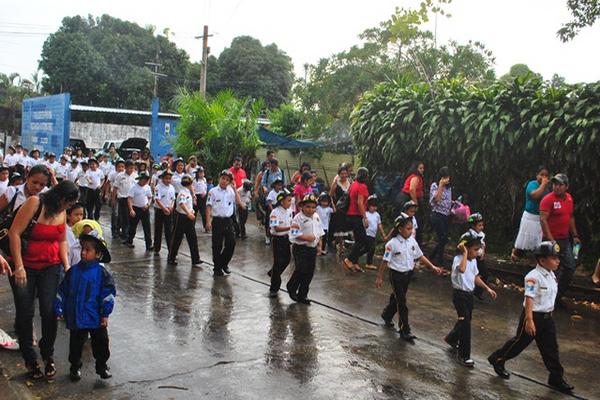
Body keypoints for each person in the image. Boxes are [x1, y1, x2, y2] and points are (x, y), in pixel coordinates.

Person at [8, 180, 78, 379]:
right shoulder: (34, 203)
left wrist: (66, 265)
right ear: (62, 199)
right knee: (25, 312)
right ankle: (30, 359)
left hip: (50, 266)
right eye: (70, 204)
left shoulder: (61, 212)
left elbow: (62, 240)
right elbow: (14, 233)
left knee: (49, 311)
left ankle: (48, 354)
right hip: (26, 267)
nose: (70, 208)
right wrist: (19, 266)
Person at [488, 241, 574, 394]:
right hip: (533, 316)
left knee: (551, 349)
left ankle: (556, 377)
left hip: (546, 318)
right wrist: (529, 320)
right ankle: (498, 359)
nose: (558, 261)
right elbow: (529, 299)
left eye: (557, 258)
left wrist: (550, 312)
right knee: (519, 344)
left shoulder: (551, 275)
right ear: (542, 260)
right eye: (554, 258)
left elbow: (549, 297)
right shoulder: (533, 277)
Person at [55, 232, 115, 381]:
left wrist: (105, 314)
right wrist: (59, 307)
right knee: (75, 345)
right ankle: (75, 366)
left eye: (88, 250)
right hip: (76, 316)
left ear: (98, 254)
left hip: (95, 318)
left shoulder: (102, 274)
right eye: (82, 248)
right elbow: (62, 291)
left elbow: (107, 295)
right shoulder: (73, 272)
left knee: (101, 343)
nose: (83, 252)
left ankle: (101, 366)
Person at [376, 213, 442, 340]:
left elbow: (420, 255)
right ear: (400, 229)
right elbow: (385, 261)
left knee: (397, 298)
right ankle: (404, 329)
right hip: (396, 275)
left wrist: (432, 266)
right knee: (402, 303)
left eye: (412, 228)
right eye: (408, 228)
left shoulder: (412, 241)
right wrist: (379, 277)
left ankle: (387, 315)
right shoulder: (392, 244)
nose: (411, 231)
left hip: (408, 274)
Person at [444, 231, 497, 367]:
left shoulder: (473, 262)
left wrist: (487, 288)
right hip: (459, 295)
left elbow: (475, 277)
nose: (477, 252)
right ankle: (464, 355)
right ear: (465, 248)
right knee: (465, 324)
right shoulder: (458, 259)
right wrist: (465, 253)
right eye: (475, 249)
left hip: (469, 295)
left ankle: (452, 338)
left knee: (465, 320)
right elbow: (462, 269)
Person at [539, 173, 580, 309]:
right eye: (555, 184)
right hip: (551, 240)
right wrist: (551, 241)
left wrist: (575, 235)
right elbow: (543, 220)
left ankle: (557, 296)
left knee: (569, 267)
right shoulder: (548, 199)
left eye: (560, 184)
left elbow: (571, 217)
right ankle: (546, 299)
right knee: (552, 270)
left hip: (564, 239)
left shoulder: (569, 199)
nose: (556, 187)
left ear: (566, 186)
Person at [286, 193, 324, 305]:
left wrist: (319, 245)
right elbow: (293, 232)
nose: (310, 209)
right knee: (301, 270)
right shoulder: (298, 218)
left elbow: (320, 231)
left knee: (309, 273)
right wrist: (306, 238)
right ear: (301, 206)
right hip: (301, 248)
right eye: (307, 207)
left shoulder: (316, 216)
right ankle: (292, 286)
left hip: (311, 249)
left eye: (313, 207)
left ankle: (303, 294)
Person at [206, 170, 245, 277]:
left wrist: (234, 188)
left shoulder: (230, 191)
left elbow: (237, 202)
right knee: (217, 246)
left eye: (227, 180)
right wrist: (208, 221)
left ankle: (224, 263)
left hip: (228, 221)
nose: (224, 181)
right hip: (217, 221)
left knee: (231, 243)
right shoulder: (213, 191)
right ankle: (217, 268)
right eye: (223, 178)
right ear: (219, 178)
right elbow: (209, 207)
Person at [511, 167, 550, 261]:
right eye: (541, 175)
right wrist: (543, 184)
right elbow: (535, 195)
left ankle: (536, 260)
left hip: (540, 218)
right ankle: (515, 254)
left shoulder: (548, 188)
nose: (543, 177)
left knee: (538, 241)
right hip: (530, 217)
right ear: (537, 175)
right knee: (524, 240)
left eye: (546, 175)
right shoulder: (532, 184)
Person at [167, 175, 202, 267]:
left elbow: (188, 204)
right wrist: (188, 213)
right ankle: (171, 257)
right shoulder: (183, 193)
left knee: (192, 238)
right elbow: (182, 203)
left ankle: (195, 258)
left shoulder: (188, 192)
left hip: (188, 217)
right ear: (190, 184)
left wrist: (191, 211)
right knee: (177, 238)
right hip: (181, 217)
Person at [343, 167, 370, 272]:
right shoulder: (362, 186)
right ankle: (349, 259)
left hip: (350, 215)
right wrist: (365, 217)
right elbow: (360, 203)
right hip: (356, 216)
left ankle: (354, 262)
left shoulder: (353, 184)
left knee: (359, 240)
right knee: (362, 240)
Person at [268, 189, 294, 297]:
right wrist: (290, 227)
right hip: (277, 240)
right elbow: (276, 228)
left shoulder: (289, 211)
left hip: (286, 239)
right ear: (282, 201)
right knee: (278, 263)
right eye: (288, 200)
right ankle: (274, 287)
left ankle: (273, 273)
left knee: (287, 260)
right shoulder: (275, 212)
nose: (290, 203)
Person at [429, 166, 453, 267]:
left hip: (446, 215)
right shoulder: (435, 185)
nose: (447, 179)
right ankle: (439, 263)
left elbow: (447, 201)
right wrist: (440, 185)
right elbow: (437, 200)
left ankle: (431, 258)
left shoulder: (449, 188)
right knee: (442, 238)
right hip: (437, 214)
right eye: (445, 177)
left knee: (444, 239)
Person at [124, 171, 153, 250]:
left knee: (147, 226)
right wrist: (131, 210)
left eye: (146, 180)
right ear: (139, 179)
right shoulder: (134, 187)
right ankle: (129, 241)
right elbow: (129, 199)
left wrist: (148, 205)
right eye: (143, 180)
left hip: (144, 208)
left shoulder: (147, 187)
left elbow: (150, 197)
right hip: (135, 208)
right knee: (133, 226)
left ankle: (149, 244)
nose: (144, 182)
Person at [329, 166, 351, 255]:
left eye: (345, 173)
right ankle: (341, 246)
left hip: (347, 209)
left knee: (344, 227)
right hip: (338, 209)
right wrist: (333, 206)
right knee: (339, 228)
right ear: (339, 174)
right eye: (342, 173)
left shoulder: (350, 183)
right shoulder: (335, 183)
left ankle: (336, 241)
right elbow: (330, 195)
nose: (344, 175)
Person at [153, 170, 175, 256]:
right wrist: (164, 208)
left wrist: (171, 206)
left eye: (169, 178)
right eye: (166, 178)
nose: (168, 180)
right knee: (158, 230)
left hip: (169, 210)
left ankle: (170, 249)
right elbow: (157, 199)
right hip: (160, 210)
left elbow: (173, 199)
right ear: (162, 178)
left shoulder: (172, 188)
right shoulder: (158, 187)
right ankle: (156, 248)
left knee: (168, 231)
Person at [468, 213, 489, 301]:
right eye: (479, 225)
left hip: (479, 257)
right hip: (472, 257)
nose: (481, 227)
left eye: (482, 225)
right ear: (473, 226)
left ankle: (478, 291)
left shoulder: (482, 234)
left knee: (484, 274)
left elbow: (483, 244)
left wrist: (483, 253)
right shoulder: (470, 235)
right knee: (471, 273)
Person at [114, 160, 137, 240]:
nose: (131, 170)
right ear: (126, 168)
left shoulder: (135, 176)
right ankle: (124, 234)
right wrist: (113, 199)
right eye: (130, 168)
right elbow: (115, 187)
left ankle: (127, 233)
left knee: (130, 218)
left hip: (132, 200)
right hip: (123, 199)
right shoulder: (120, 176)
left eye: (132, 168)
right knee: (124, 217)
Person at [365, 195, 386, 270]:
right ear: (368, 206)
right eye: (372, 206)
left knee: (367, 248)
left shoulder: (377, 215)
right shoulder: (365, 214)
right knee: (371, 248)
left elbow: (379, 224)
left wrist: (383, 233)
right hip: (366, 234)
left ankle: (354, 258)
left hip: (373, 235)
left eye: (375, 206)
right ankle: (369, 263)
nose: (374, 208)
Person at [108, 160, 125, 238]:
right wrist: (108, 195)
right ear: (116, 167)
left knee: (121, 215)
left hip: (123, 197)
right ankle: (114, 231)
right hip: (115, 196)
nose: (120, 168)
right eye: (119, 167)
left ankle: (119, 229)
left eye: (122, 167)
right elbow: (108, 183)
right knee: (115, 214)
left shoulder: (126, 175)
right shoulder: (113, 174)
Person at [265, 179, 285, 244]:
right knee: (269, 223)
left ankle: (274, 235)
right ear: (275, 185)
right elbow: (269, 202)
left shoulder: (281, 192)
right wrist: (272, 211)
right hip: (272, 208)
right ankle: (267, 237)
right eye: (278, 185)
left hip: (279, 208)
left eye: (281, 185)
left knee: (278, 223)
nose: (280, 187)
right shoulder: (272, 193)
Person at [66, 203, 85, 267]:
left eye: (81, 215)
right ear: (68, 216)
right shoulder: (66, 230)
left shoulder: (83, 230)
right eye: (76, 215)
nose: (79, 217)